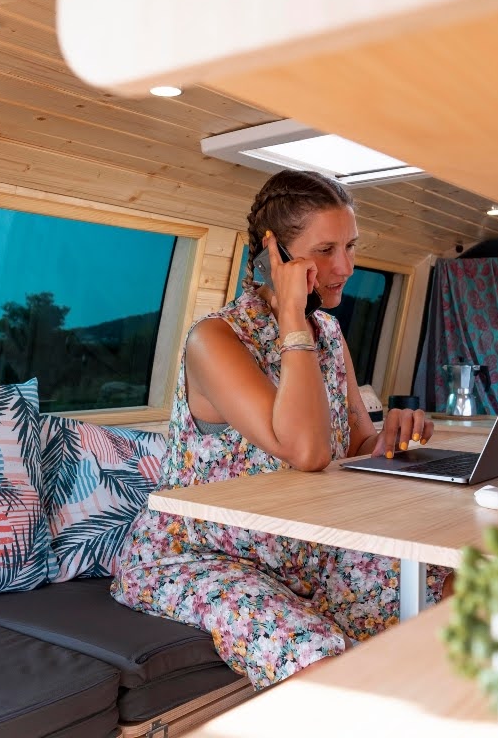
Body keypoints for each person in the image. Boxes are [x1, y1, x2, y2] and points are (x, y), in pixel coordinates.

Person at [112, 169, 449, 688]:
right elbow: (307, 452)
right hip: (204, 554)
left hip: (305, 547)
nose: (345, 267)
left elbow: (356, 442)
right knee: (313, 655)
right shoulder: (215, 339)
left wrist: (392, 438)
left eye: (351, 247)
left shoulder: (328, 331)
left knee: (447, 584)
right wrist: (292, 317)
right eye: (325, 250)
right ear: (277, 254)